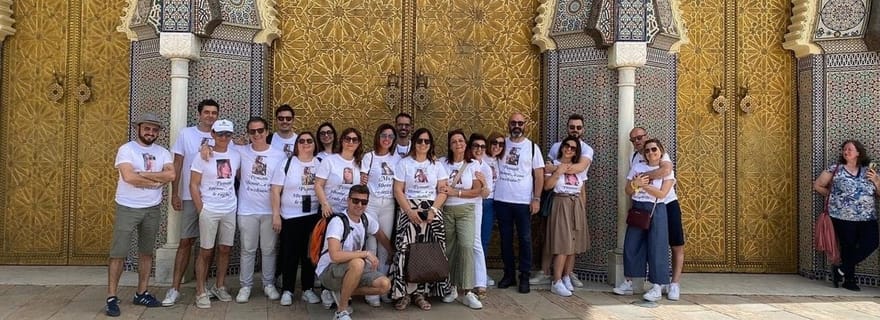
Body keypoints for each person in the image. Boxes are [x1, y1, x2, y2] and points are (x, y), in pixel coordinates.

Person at [104, 113, 175, 316]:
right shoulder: (127, 150)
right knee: (118, 253)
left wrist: (142, 174)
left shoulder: (162, 152)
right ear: (139, 128)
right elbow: (128, 177)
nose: (150, 132)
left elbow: (171, 175)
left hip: (152, 208)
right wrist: (154, 181)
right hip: (127, 207)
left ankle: (141, 292)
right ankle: (111, 296)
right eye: (147, 128)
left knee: (146, 252)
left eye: (154, 129)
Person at [163, 99, 219, 306]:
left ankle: (202, 289)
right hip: (188, 196)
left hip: (213, 199)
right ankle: (174, 288)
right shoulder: (186, 134)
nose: (210, 116)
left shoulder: (221, 136)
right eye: (207, 112)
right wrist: (175, 193)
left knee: (208, 245)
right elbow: (177, 164)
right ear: (199, 114)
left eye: (214, 113)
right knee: (185, 242)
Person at [389, 128, 450, 311]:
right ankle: (403, 293)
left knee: (428, 253)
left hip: (431, 211)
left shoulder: (437, 165)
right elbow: (398, 190)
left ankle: (421, 293)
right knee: (405, 251)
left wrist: (433, 210)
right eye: (419, 141)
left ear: (431, 144)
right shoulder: (404, 163)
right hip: (409, 210)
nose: (423, 144)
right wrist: (408, 211)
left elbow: (443, 190)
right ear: (414, 142)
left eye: (427, 141)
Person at [532, 114, 593, 288]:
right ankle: (547, 273)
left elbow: (579, 168)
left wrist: (557, 167)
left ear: (583, 129)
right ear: (567, 127)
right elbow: (547, 172)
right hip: (557, 200)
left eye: (578, 127)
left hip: (575, 201)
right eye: (572, 127)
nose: (575, 130)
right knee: (555, 238)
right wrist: (557, 169)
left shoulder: (587, 149)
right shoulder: (556, 146)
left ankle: (567, 274)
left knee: (572, 240)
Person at [315, 185, 394, 320]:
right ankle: (341, 310)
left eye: (364, 202)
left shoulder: (365, 219)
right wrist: (365, 254)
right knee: (358, 263)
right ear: (348, 200)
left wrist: (392, 252)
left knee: (384, 285)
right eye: (355, 200)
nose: (359, 205)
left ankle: (340, 292)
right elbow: (335, 255)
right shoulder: (338, 221)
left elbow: (380, 234)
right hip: (328, 271)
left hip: (351, 270)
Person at [813, 139, 880, 291]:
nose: (846, 151)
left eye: (850, 149)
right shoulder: (835, 169)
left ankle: (840, 269)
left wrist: (876, 180)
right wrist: (834, 197)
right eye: (844, 149)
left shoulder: (868, 171)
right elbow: (818, 185)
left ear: (858, 153)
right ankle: (849, 281)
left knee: (872, 243)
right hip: (842, 216)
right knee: (848, 247)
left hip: (867, 217)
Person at [613, 138, 674, 302]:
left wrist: (643, 184)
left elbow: (662, 194)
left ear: (661, 150)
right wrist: (634, 184)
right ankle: (628, 282)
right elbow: (627, 190)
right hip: (638, 208)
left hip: (657, 209)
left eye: (654, 149)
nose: (651, 153)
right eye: (647, 150)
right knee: (631, 245)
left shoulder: (666, 170)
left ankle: (656, 286)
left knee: (657, 247)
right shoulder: (638, 167)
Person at [234, 117, 287, 303]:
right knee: (247, 249)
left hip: (269, 211)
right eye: (252, 131)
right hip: (246, 210)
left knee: (269, 249)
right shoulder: (240, 151)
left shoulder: (279, 155)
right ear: (248, 134)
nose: (256, 134)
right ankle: (245, 286)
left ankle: (268, 284)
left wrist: (276, 213)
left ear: (266, 132)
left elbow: (280, 186)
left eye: (260, 130)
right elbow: (220, 149)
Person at [190, 119, 241, 308]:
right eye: (220, 134)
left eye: (228, 134)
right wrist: (201, 209)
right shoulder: (202, 156)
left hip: (229, 208)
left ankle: (220, 286)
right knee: (205, 251)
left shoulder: (236, 155)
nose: (224, 138)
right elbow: (193, 184)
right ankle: (200, 290)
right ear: (212, 134)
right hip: (209, 209)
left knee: (225, 249)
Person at [270, 131, 323, 305]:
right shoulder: (287, 163)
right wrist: (276, 215)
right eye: (302, 141)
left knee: (309, 255)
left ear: (315, 144)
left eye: (309, 141)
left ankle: (307, 289)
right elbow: (276, 190)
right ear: (296, 144)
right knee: (289, 255)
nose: (305, 143)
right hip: (290, 217)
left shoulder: (321, 163)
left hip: (312, 216)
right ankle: (288, 290)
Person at [628, 126, 681, 299]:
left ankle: (672, 283)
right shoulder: (635, 158)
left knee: (674, 243)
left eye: (640, 137)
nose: (638, 142)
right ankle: (635, 282)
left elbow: (665, 171)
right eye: (634, 139)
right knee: (637, 243)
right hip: (643, 206)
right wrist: (637, 184)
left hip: (666, 204)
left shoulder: (661, 154)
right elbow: (629, 186)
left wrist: (643, 180)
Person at [494, 113, 544, 293]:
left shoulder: (532, 148)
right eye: (513, 122)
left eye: (520, 123)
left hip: (523, 202)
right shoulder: (501, 144)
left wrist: (536, 198)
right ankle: (508, 275)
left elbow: (539, 175)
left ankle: (524, 276)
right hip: (502, 199)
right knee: (505, 239)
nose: (517, 126)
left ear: (525, 125)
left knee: (524, 239)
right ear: (508, 124)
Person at [438, 129, 484, 309]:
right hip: (446, 211)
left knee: (466, 246)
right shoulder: (442, 163)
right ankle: (451, 287)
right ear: (450, 145)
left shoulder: (473, 165)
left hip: (465, 210)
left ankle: (467, 290)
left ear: (465, 144)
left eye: (461, 141)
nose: (458, 144)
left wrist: (456, 192)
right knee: (449, 248)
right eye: (454, 141)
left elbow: (476, 190)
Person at [543, 137, 589, 297]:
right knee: (563, 244)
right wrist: (557, 172)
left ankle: (566, 275)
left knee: (574, 245)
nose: (569, 149)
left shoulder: (578, 169)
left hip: (576, 205)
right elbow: (547, 186)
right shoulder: (552, 165)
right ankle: (556, 281)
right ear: (562, 147)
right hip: (561, 203)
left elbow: (582, 190)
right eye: (567, 146)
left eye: (573, 148)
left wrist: (582, 208)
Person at [360, 123, 401, 305]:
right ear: (378, 136)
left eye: (391, 136)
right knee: (371, 245)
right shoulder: (369, 157)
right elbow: (362, 180)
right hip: (372, 204)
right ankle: (371, 290)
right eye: (383, 135)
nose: (387, 139)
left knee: (385, 246)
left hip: (389, 204)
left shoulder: (397, 159)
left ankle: (383, 287)